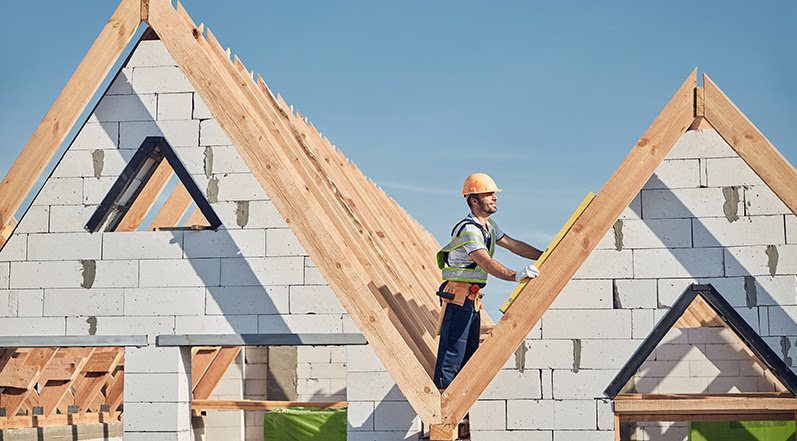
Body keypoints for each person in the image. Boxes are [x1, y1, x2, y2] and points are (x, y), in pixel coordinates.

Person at [433, 173, 543, 389]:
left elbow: (513, 244)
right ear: (474, 200)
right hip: (457, 296)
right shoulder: (468, 229)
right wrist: (515, 276)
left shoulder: (489, 227)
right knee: (453, 353)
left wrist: (544, 255)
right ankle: (442, 406)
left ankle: (460, 404)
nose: (495, 197)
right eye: (489, 194)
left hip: (470, 298)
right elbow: (485, 261)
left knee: (469, 354)